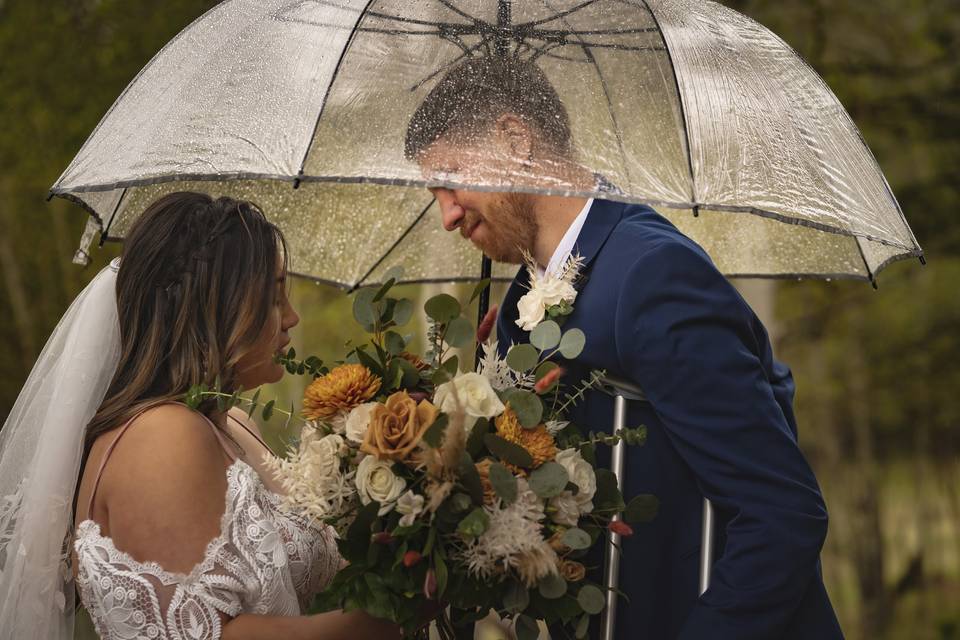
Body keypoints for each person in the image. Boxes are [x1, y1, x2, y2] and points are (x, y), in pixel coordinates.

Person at [406, 57, 844, 639]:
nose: (446, 215)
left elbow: (782, 517)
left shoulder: (655, 273)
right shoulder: (520, 302)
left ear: (514, 140)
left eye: (452, 178)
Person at [0, 192, 399, 640]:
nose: (291, 317)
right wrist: (389, 617)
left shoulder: (233, 426)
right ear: (210, 306)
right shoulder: (162, 437)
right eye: (272, 296)